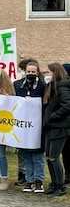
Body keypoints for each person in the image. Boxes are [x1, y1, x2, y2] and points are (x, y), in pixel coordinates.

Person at [14, 61, 46, 193]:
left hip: (37, 125)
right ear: (25, 72)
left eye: (33, 72)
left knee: (37, 155)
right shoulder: (18, 85)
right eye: (29, 72)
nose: (31, 74)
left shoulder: (43, 86)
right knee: (26, 154)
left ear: (37, 72)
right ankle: (29, 179)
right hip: (23, 125)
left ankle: (39, 181)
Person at [42, 63, 70, 197]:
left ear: (55, 72)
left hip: (59, 127)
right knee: (48, 157)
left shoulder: (62, 87)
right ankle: (54, 184)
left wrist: (53, 116)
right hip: (51, 126)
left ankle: (60, 186)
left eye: (48, 72)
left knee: (54, 157)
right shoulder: (51, 87)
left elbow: (67, 105)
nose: (46, 75)